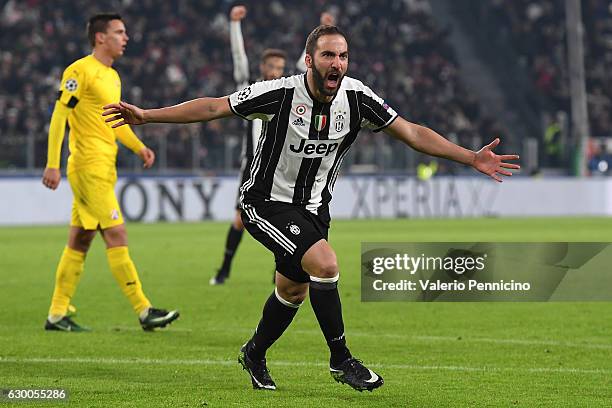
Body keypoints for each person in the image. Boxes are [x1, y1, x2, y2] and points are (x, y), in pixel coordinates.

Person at [103, 24, 519, 391]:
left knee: (292, 290)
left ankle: (254, 352)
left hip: (314, 209)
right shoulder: (281, 93)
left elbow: (410, 132)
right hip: (265, 202)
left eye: (343, 56)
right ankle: (341, 360)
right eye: (328, 55)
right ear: (309, 60)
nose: (337, 63)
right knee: (325, 264)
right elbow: (214, 106)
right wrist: (148, 116)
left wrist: (470, 157)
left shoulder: (356, 98)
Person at [42, 13, 179, 332]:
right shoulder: (80, 70)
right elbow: (59, 115)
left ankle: (56, 314)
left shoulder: (112, 76)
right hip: (87, 166)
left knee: (80, 240)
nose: (126, 37)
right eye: (119, 32)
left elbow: (113, 123)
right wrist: (52, 163)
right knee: (116, 234)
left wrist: (139, 147)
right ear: (100, 38)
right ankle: (145, 311)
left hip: (104, 167)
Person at [210, 6, 335, 285]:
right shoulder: (251, 89)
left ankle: (285, 269)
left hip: (284, 165)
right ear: (263, 68)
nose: (276, 72)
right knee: (240, 220)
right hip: (252, 164)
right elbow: (238, 59)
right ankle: (224, 269)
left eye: (280, 68)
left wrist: (321, 28)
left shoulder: (291, 91)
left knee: (289, 218)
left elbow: (311, 65)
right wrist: (234, 25)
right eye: (272, 67)